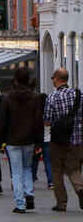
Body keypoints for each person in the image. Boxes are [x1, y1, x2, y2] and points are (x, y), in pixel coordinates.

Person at [0, 67, 44, 213]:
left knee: (16, 171)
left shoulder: (8, 97)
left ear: (15, 80)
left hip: (12, 139)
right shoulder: (35, 98)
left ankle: (20, 203)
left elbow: (2, 120)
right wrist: (39, 142)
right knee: (27, 167)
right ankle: (29, 194)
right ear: (28, 79)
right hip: (29, 139)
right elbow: (38, 121)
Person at [43, 67, 83, 211]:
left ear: (57, 79)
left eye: (53, 78)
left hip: (58, 141)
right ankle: (79, 190)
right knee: (73, 168)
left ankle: (61, 203)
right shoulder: (79, 95)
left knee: (57, 170)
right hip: (77, 140)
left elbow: (47, 120)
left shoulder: (52, 97)